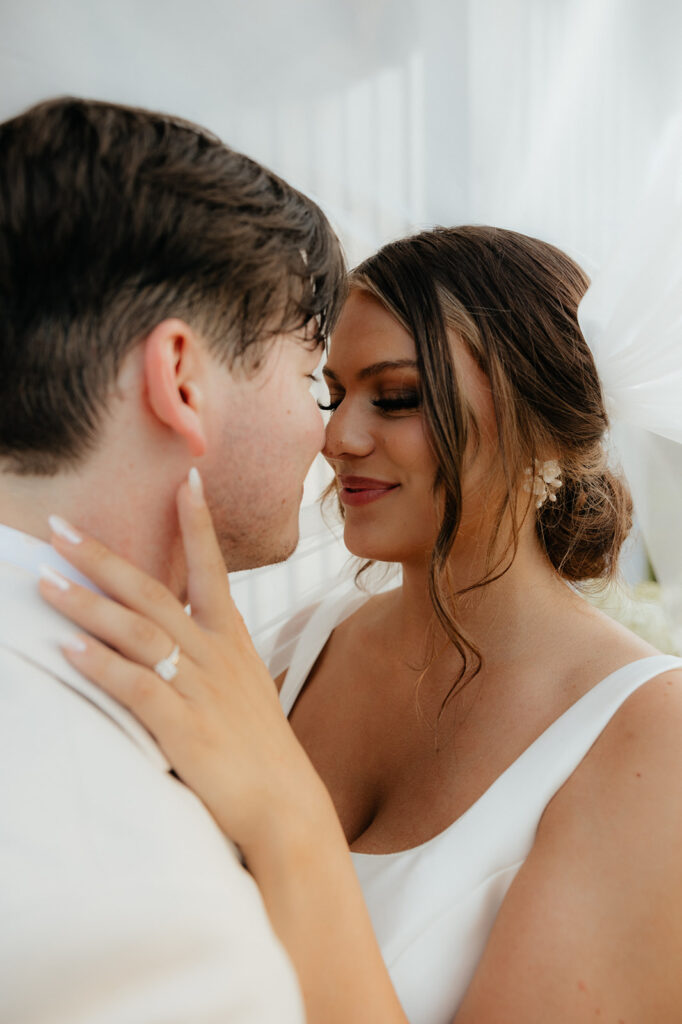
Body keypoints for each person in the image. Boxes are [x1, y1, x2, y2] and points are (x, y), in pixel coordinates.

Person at [40, 227, 682, 1024]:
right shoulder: (292, 648)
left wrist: (291, 820)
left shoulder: (650, 740)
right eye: (331, 392)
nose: (338, 438)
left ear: (541, 426)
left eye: (398, 397)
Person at [0, 95, 345, 1022]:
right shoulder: (120, 873)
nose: (332, 433)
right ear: (181, 377)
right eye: (313, 377)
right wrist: (296, 824)